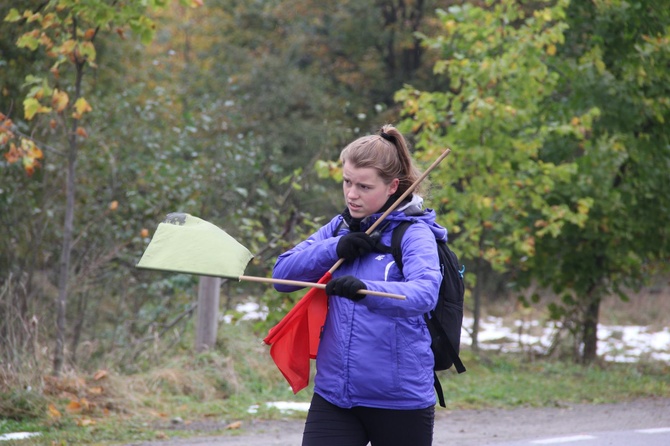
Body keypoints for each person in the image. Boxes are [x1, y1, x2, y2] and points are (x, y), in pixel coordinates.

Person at [272, 124, 447, 446]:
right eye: (347, 182)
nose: (351, 194)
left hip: (400, 400)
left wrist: (363, 290)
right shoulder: (340, 227)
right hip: (335, 396)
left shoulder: (414, 233)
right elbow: (281, 275)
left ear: (393, 186)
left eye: (364, 187)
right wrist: (334, 248)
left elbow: (424, 294)